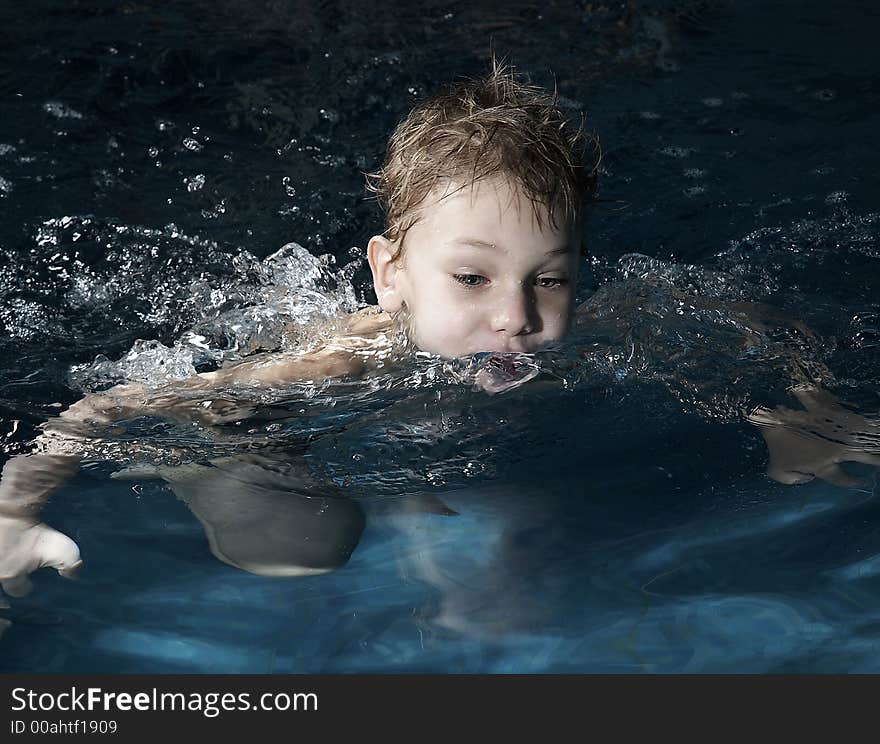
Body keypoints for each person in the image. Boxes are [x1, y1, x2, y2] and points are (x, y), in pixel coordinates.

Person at [1, 61, 877, 595]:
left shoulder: (610, 331)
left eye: (553, 279)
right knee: (300, 549)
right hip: (264, 437)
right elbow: (113, 406)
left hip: (439, 451)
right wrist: (17, 506)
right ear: (392, 275)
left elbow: (751, 322)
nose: (518, 317)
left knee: (510, 545)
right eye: (470, 278)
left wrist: (798, 414)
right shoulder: (344, 363)